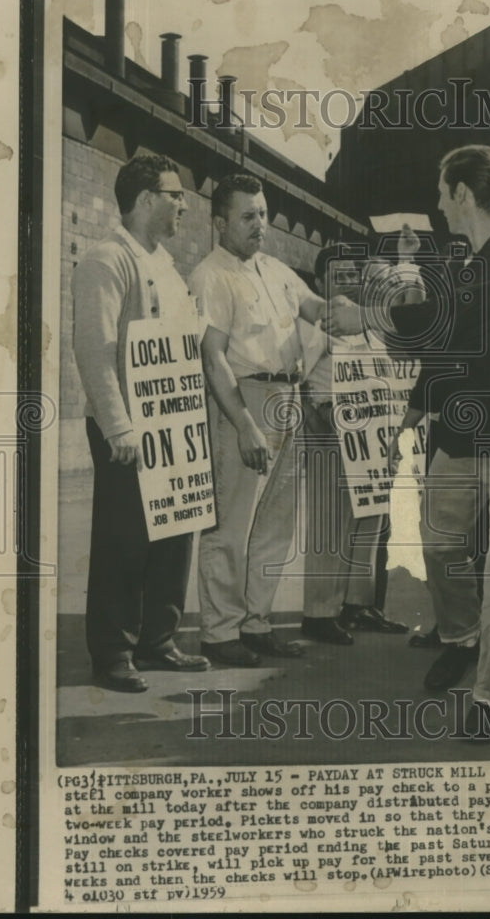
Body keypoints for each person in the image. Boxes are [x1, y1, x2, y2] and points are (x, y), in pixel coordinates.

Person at [326, 144, 490, 740]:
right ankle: (462, 636)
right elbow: (447, 350)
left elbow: (456, 324)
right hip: (463, 433)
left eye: (441, 193)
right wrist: (412, 409)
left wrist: (368, 316)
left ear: (463, 194)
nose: (436, 205)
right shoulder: (469, 262)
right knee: (437, 542)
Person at [72, 154, 210, 693]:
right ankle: (113, 652)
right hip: (130, 426)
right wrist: (118, 426)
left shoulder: (166, 265)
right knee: (124, 540)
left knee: (175, 531)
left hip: (173, 423)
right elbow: (95, 348)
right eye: (175, 194)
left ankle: (158, 639)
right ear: (147, 199)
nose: (183, 204)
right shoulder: (108, 261)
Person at [189, 174, 326, 666]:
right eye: (248, 216)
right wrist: (244, 423)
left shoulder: (275, 269)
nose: (260, 225)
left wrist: (358, 308)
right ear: (220, 221)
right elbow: (213, 358)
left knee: (275, 522)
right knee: (231, 523)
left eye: (264, 214)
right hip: (243, 400)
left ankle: (257, 623)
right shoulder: (210, 276)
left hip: (288, 396)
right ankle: (220, 632)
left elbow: (318, 310)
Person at [299, 245, 408, 645]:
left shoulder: (366, 320)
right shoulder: (319, 320)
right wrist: (318, 409)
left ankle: (357, 605)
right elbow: (305, 371)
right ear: (319, 283)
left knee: (371, 518)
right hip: (334, 423)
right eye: (338, 276)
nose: (348, 283)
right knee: (332, 520)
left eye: (352, 275)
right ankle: (319, 612)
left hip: (374, 429)